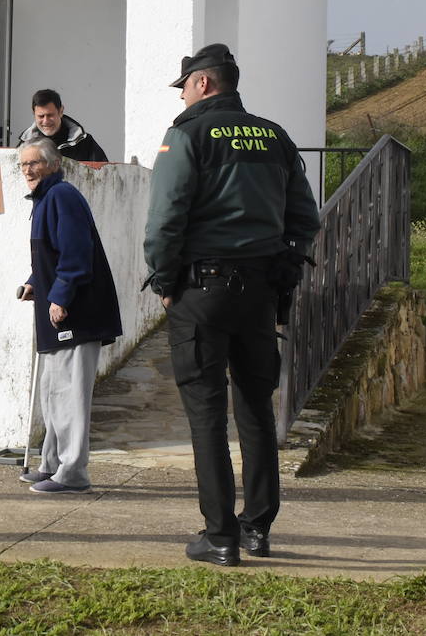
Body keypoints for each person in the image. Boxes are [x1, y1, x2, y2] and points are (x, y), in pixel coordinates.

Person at [143, 43, 320, 567]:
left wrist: (164, 278)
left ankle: (219, 536)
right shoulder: (275, 136)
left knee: (205, 413)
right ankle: (258, 528)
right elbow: (305, 218)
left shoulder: (188, 134)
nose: (184, 95)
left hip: (203, 290)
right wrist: (287, 265)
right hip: (261, 293)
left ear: (203, 83)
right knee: (256, 411)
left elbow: (165, 219)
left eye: (186, 85)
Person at [16, 137, 122, 495]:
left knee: (70, 394)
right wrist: (35, 283)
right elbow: (50, 257)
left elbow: (76, 253)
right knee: (53, 392)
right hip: (59, 315)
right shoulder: (47, 199)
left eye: (35, 163)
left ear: (53, 165)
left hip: (76, 314)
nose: (28, 171)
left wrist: (60, 296)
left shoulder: (61, 196)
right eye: (24, 165)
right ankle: (51, 465)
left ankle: (73, 473)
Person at [18, 89, 108, 163]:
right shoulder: (25, 144)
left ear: (61, 111)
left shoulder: (85, 143)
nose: (46, 121)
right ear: (34, 114)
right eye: (41, 116)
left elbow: (104, 173)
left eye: (50, 115)